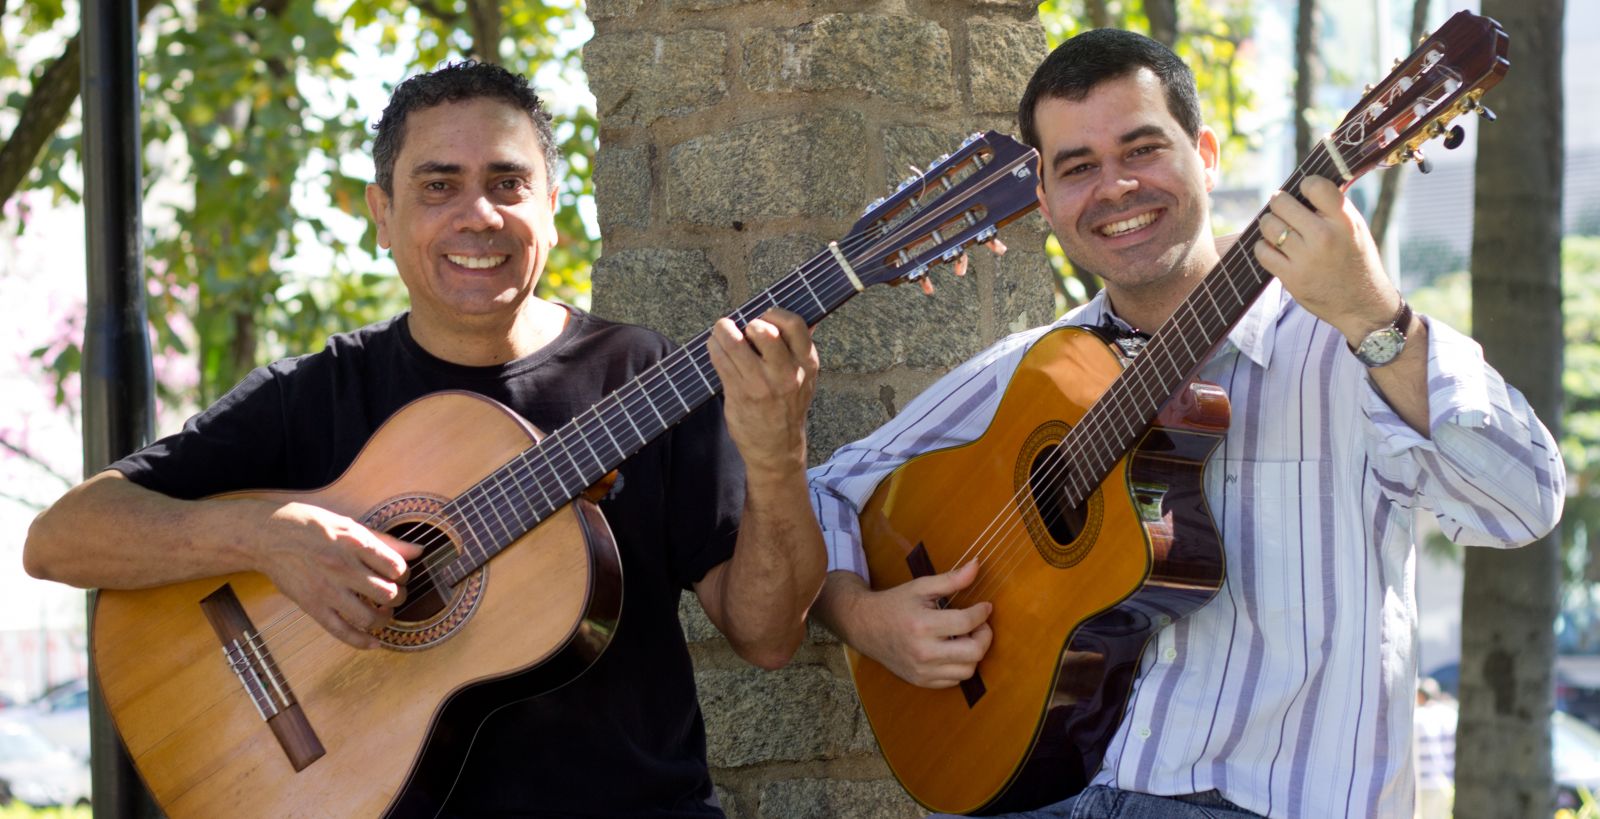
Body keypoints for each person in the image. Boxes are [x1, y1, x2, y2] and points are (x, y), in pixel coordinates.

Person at [23, 61, 826, 817]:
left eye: (507, 183)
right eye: (439, 185)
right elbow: (60, 540)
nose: (478, 215)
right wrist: (267, 535)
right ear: (383, 215)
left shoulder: (644, 375)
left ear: (552, 203)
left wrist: (776, 455)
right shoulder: (321, 392)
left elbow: (766, 633)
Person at [807, 28, 1563, 819]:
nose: (1115, 187)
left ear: (1206, 153)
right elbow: (824, 491)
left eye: (1142, 149)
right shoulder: (1036, 370)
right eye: (1078, 167)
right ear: (1045, 202)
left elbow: (1525, 502)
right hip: (1049, 795)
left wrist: (1376, 317)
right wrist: (865, 617)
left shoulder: (1352, 346)